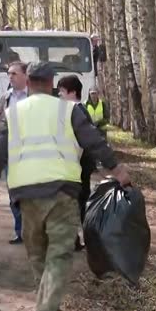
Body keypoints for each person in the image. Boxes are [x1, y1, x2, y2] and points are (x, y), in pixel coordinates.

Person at [0, 62, 132, 311]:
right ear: (50, 82)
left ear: (28, 81)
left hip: (25, 193)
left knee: (37, 252)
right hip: (62, 191)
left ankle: (48, 306)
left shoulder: (12, 113)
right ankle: (47, 307)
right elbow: (94, 142)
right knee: (59, 252)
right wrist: (117, 170)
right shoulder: (68, 109)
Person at [0, 60, 29, 245]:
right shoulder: (5, 97)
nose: (10, 77)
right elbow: (0, 125)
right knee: (14, 194)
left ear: (25, 76)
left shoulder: (34, 96)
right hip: (10, 153)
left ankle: (33, 231)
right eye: (9, 74)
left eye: (14, 73)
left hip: (31, 153)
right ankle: (19, 232)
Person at [57, 75, 95, 252]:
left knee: (77, 204)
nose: (60, 96)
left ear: (73, 92)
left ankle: (80, 239)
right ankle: (76, 239)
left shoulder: (77, 112)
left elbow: (80, 143)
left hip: (79, 166)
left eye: (62, 92)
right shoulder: (75, 111)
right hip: (78, 166)